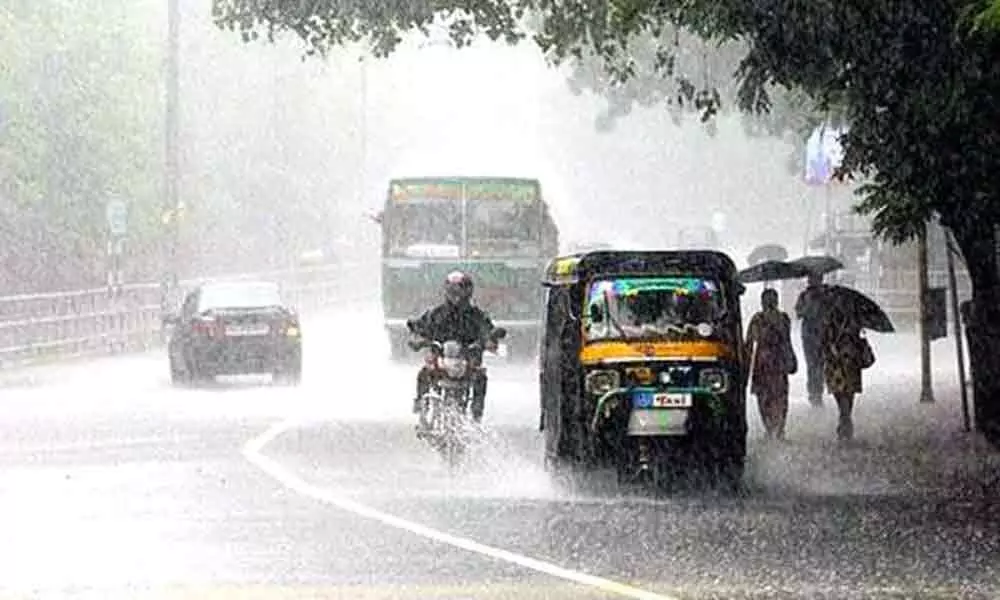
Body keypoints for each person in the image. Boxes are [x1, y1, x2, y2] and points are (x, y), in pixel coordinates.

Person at [408, 271, 497, 425]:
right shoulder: (435, 314)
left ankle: (477, 413)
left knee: (481, 377)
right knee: (424, 372)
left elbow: (488, 331)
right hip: (441, 360)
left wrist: (489, 340)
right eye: (452, 291)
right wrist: (418, 339)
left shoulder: (477, 315)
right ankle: (421, 403)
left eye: (460, 291)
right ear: (446, 291)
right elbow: (420, 327)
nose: (456, 296)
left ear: (469, 291)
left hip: (466, 361)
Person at [745, 288, 797, 440]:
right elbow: (787, 341)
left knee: (764, 397)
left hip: (762, 362)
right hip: (779, 361)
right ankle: (779, 429)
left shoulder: (758, 319)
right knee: (780, 396)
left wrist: (745, 364)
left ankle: (769, 428)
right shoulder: (783, 318)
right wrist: (791, 357)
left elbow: (749, 341)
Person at [821, 304, 875, 441]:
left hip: (836, 365)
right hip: (850, 364)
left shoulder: (829, 322)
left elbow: (823, 344)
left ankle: (844, 421)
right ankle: (845, 421)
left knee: (840, 395)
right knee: (848, 395)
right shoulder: (854, 322)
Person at [795, 273, 827, 407]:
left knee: (820, 365)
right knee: (812, 365)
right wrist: (808, 305)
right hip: (809, 334)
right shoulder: (804, 295)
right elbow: (798, 313)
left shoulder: (826, 296)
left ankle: (818, 391)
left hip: (822, 334)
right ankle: (813, 393)